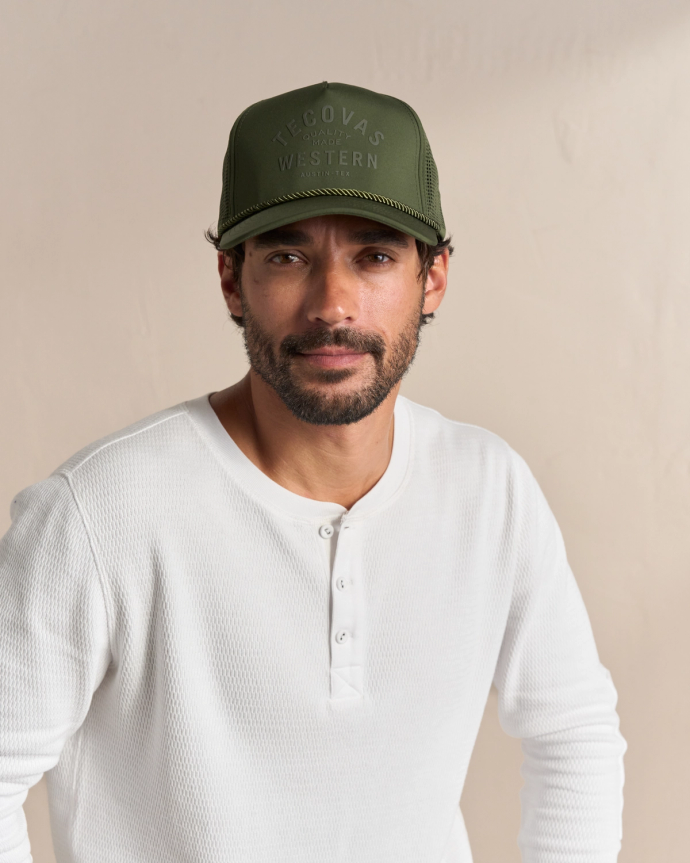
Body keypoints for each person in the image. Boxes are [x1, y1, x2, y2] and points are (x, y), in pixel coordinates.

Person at [0, 81, 626, 863]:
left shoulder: (489, 489)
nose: (333, 304)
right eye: (290, 255)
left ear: (432, 277)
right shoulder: (100, 511)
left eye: (374, 255)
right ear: (233, 278)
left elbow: (574, 732)